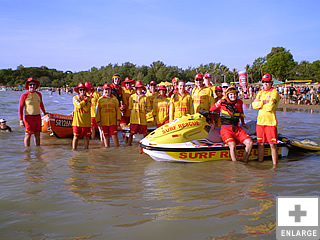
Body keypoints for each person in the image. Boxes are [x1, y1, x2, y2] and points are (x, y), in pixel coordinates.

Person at [210, 86, 253, 162]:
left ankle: (244, 162)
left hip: (237, 128)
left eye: (235, 94)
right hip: (225, 129)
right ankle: (236, 166)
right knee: (232, 146)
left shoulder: (240, 102)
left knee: (250, 143)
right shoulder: (221, 101)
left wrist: (243, 123)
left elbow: (241, 113)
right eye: (231, 94)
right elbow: (211, 110)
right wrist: (212, 122)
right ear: (227, 95)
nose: (233, 96)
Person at [252, 74, 280, 167]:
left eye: (267, 82)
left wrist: (260, 104)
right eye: (264, 82)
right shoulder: (260, 92)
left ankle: (275, 166)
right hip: (260, 122)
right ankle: (260, 163)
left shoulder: (274, 92)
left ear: (271, 82)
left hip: (270, 123)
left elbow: (270, 107)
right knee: (260, 144)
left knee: (273, 145)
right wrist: (264, 102)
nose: (265, 84)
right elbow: (253, 105)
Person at [19, 77, 47, 147]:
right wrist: (20, 120)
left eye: (33, 84)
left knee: (37, 134)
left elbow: (41, 104)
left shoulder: (39, 94)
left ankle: (38, 152)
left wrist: (44, 112)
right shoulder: (24, 95)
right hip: (28, 118)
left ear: (36, 86)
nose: (32, 86)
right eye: (30, 84)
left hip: (37, 117)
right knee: (28, 135)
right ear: (28, 86)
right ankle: (27, 152)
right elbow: (20, 108)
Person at [128, 80, 151, 145]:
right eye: (137, 88)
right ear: (136, 89)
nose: (139, 89)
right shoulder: (132, 97)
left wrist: (144, 112)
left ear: (142, 88)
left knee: (145, 134)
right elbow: (130, 108)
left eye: (140, 88)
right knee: (131, 133)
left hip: (143, 119)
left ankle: (145, 146)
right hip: (134, 119)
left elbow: (148, 108)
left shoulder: (145, 98)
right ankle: (128, 145)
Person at [72, 82, 92, 150]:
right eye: (80, 89)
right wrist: (84, 101)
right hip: (77, 122)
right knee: (76, 137)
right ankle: (74, 151)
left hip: (86, 122)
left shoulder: (89, 99)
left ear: (86, 90)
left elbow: (86, 108)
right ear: (78, 91)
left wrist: (84, 101)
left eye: (84, 89)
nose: (82, 91)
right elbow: (79, 106)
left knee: (86, 138)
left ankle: (86, 151)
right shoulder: (75, 98)